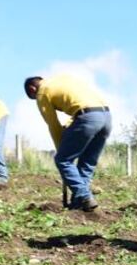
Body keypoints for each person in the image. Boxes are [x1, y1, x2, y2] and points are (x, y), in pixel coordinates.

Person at [24, 74, 112, 211]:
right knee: (87, 162)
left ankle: (84, 196)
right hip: (106, 117)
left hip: (87, 118)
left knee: (63, 160)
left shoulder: (42, 92)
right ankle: (79, 203)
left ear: (32, 89)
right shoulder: (62, 80)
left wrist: (60, 148)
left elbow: (53, 124)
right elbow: (78, 107)